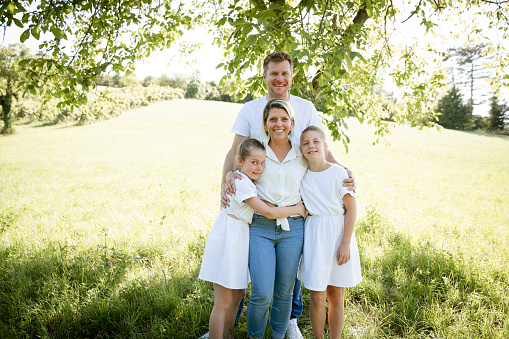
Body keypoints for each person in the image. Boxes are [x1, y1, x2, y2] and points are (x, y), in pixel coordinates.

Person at [220, 51, 356, 339]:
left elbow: (322, 149)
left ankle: (284, 329)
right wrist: (228, 179)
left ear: (291, 76)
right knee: (260, 287)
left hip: (294, 224)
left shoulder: (304, 118)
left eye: (285, 73)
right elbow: (236, 153)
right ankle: (237, 330)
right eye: (274, 73)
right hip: (259, 217)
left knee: (286, 287)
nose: (279, 78)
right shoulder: (253, 122)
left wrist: (345, 172)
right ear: (265, 76)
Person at [198, 138, 307, 339]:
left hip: (239, 238)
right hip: (228, 238)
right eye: (254, 162)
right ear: (240, 161)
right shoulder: (240, 183)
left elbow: (265, 202)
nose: (259, 167)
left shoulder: (246, 182)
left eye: (263, 162)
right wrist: (297, 209)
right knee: (223, 301)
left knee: (238, 295)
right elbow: (267, 211)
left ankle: (228, 334)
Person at [297, 126, 361, 339]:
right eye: (306, 143)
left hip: (337, 234)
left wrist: (345, 243)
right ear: (301, 149)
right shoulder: (302, 176)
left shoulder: (339, 173)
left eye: (316, 141)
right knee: (316, 295)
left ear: (325, 146)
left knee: (335, 293)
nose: (311, 146)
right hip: (314, 235)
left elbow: (351, 209)